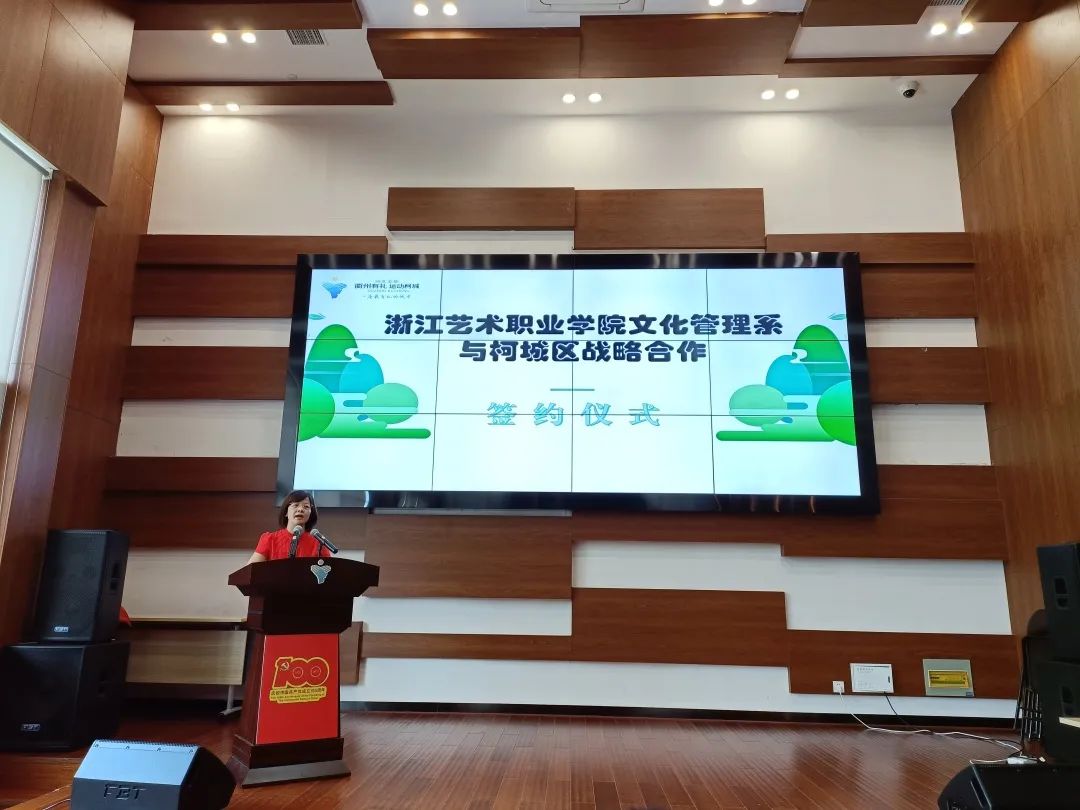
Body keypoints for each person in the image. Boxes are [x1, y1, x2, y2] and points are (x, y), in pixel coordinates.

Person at [247, 489, 328, 563]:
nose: (300, 509)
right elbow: (251, 570)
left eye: (306, 506)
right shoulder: (269, 539)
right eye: (295, 505)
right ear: (286, 512)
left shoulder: (319, 543)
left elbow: (330, 570)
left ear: (310, 514)